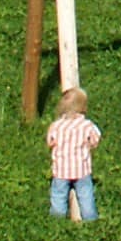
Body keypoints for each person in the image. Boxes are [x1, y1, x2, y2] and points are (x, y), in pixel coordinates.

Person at [46, 86, 101, 222]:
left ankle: (57, 220)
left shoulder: (56, 126)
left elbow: (50, 142)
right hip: (81, 170)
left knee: (58, 196)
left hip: (61, 171)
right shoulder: (87, 125)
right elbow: (95, 139)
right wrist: (89, 145)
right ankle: (90, 219)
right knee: (86, 195)